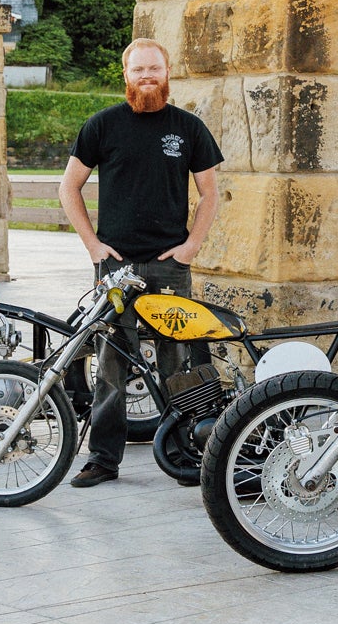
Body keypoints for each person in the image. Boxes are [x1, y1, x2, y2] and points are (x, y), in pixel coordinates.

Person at [59, 38, 223, 487]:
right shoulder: (102, 126)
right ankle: (103, 459)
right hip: (116, 268)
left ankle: (185, 453)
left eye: (154, 69)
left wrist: (191, 246)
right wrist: (93, 245)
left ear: (167, 72)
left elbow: (211, 193)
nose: (146, 76)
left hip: (170, 266)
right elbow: (68, 187)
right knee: (111, 363)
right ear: (125, 75)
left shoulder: (189, 128)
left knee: (179, 362)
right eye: (138, 70)